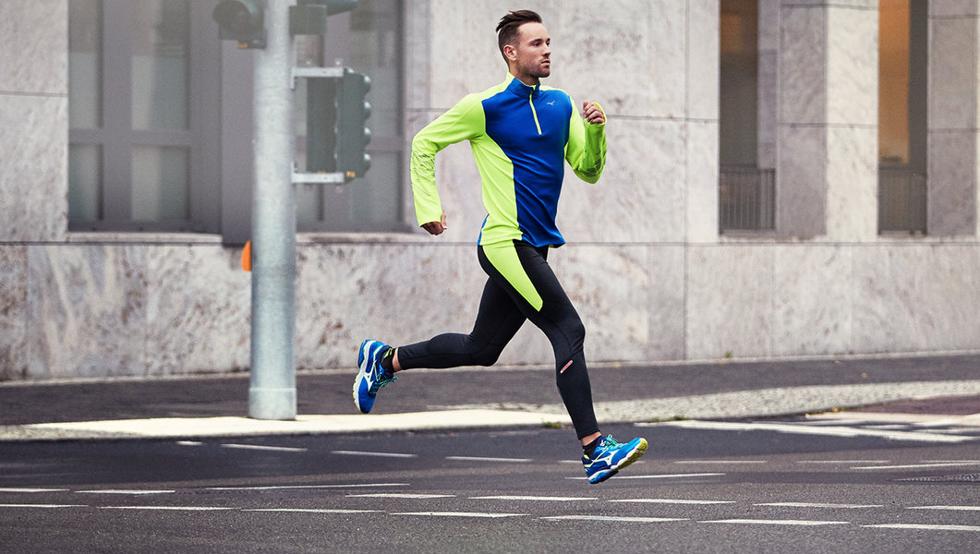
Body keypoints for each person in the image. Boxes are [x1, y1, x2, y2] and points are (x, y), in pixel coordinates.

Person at [353, 9, 647, 484]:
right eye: (536, 44)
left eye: (549, 42)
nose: (547, 50)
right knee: (568, 329)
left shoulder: (560, 105)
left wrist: (596, 129)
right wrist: (428, 205)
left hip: (535, 246)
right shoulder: (483, 106)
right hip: (505, 242)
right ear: (511, 52)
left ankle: (384, 359)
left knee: (481, 347)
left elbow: (588, 170)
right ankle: (595, 449)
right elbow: (424, 143)